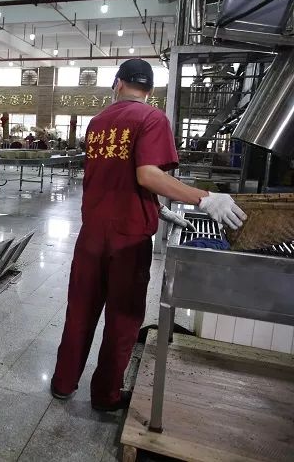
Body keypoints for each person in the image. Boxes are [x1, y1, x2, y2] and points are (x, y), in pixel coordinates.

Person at [50, 59, 247, 411]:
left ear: (117, 83)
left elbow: (117, 177)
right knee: (123, 319)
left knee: (80, 311)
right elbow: (146, 175)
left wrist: (158, 208)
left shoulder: (98, 123)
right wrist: (204, 197)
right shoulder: (152, 118)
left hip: (92, 234)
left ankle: (64, 383)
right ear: (150, 91)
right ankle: (105, 395)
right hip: (128, 239)